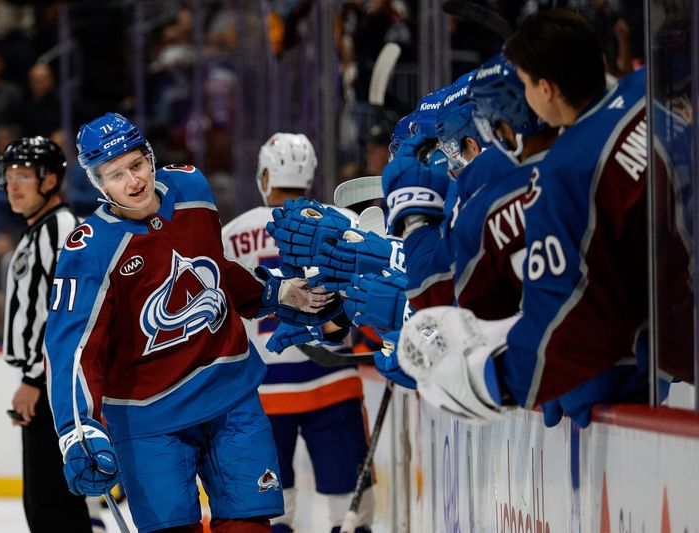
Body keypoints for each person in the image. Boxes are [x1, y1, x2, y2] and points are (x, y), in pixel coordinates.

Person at [44, 113, 336, 533]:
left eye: (137, 165)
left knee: (250, 526)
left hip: (230, 394)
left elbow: (212, 270)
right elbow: (72, 348)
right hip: (149, 420)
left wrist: (274, 292)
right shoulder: (88, 249)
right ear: (98, 184)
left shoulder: (192, 190)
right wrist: (76, 427)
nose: (133, 182)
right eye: (115, 175)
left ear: (151, 157)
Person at [397, 9, 666, 423]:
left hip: (603, 369)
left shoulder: (560, 176)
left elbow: (552, 313)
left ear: (544, 89)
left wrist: (506, 381)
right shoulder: (645, 93)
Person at [221, 133, 373, 533]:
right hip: (332, 380)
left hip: (263, 392)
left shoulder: (232, 233)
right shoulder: (344, 222)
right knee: (352, 513)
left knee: (273, 514)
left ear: (266, 175)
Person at [0, 136, 102, 532]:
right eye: (9, 176)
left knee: (53, 505)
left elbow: (67, 315)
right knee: (44, 503)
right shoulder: (37, 231)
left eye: (24, 175)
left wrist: (33, 379)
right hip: (44, 383)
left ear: (50, 180)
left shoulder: (60, 229)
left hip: (56, 386)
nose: (13, 185)